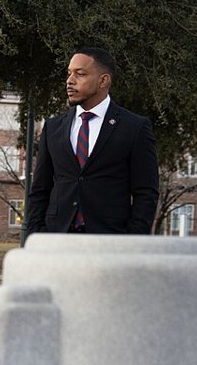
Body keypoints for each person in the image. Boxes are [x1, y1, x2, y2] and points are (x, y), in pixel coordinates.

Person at [25, 47, 159, 236]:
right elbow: (40, 189)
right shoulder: (53, 127)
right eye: (69, 73)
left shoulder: (134, 127)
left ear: (103, 80)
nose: (70, 81)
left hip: (110, 240)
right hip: (56, 239)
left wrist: (132, 238)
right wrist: (35, 233)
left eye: (80, 74)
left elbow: (146, 192)